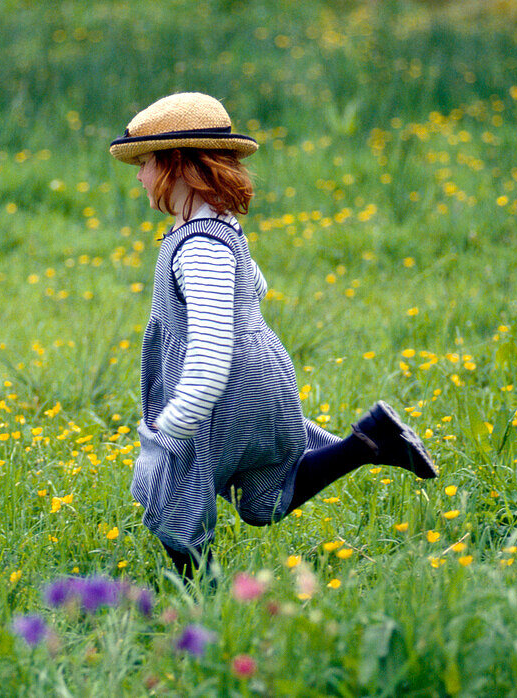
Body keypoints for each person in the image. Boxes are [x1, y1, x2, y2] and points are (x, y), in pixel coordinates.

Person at [109, 92, 438, 580]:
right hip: (260, 375)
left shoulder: (199, 245)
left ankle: (198, 593)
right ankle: (370, 441)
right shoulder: (221, 227)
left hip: (223, 387)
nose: (138, 175)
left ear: (175, 164)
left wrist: (177, 421)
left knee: (168, 482)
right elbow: (256, 286)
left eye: (145, 162)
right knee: (262, 495)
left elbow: (211, 349)